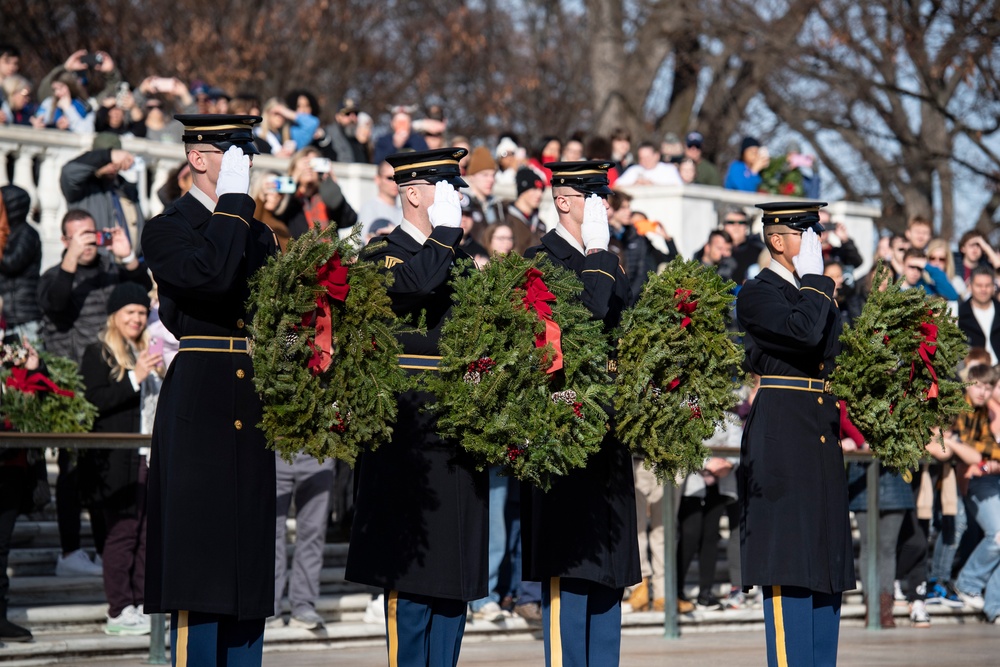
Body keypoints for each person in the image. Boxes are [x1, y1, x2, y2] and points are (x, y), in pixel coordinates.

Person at [141, 114, 279, 667]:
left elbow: (277, 318)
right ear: (198, 158)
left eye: (249, 155)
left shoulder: (259, 231)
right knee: (201, 569)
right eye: (232, 154)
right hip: (199, 397)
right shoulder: (167, 227)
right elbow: (212, 277)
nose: (243, 167)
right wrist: (234, 207)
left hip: (252, 397)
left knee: (247, 573)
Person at [345, 148, 488, 666]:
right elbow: (415, 286)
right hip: (406, 423)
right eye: (442, 189)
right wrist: (446, 236)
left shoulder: (459, 258)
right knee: (409, 574)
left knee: (454, 576)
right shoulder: (381, 254)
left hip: (457, 424)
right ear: (411, 193)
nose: (454, 201)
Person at [521, 160, 639, 667]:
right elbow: (584, 321)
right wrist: (597, 254)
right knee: (570, 573)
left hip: (608, 429)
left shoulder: (609, 259)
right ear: (564, 201)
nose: (604, 206)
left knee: (609, 574)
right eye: (593, 195)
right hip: (563, 424)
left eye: (605, 196)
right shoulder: (539, 260)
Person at [736, 201, 854, 666]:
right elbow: (803, 333)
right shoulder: (757, 292)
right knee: (790, 566)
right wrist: (819, 283)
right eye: (804, 233)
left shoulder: (815, 291)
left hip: (820, 432)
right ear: (778, 239)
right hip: (782, 435)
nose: (814, 243)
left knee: (826, 571)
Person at [79, 282, 163, 636]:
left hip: (148, 456)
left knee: (147, 535)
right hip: (117, 460)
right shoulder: (98, 352)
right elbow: (94, 401)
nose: (137, 318)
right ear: (115, 315)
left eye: (142, 312)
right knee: (123, 533)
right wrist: (135, 377)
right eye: (130, 312)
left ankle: (143, 601)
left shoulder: (147, 349)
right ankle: (119, 608)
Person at [952, 364, 1000, 624]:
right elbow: (969, 446)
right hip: (968, 481)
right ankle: (968, 582)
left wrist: (988, 456)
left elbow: (986, 444)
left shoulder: (980, 411)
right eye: (979, 386)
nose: (982, 392)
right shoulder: (962, 407)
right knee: (998, 536)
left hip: (984, 478)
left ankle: (995, 605)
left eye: (988, 387)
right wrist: (985, 458)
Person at [272, 451, 334, 630]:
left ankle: (303, 605)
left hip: (319, 450)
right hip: (274, 446)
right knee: (271, 532)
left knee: (313, 532)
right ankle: (269, 605)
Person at [60, 135, 147, 255]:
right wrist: (108, 155)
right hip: (96, 268)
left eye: (114, 161)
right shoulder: (81, 187)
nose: (111, 164)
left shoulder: (126, 188)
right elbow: (68, 172)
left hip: (129, 265)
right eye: (105, 161)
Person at [275, 146, 358, 239]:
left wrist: (332, 185)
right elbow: (277, 213)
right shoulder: (289, 198)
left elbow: (350, 220)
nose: (309, 167)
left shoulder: (326, 196)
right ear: (294, 167)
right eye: (305, 163)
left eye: (313, 163)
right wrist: (293, 180)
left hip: (329, 252)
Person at [0, 185, 42, 342]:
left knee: (26, 360)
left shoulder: (27, 233)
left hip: (22, 315)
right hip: (6, 315)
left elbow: (12, 263)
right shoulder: (7, 232)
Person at [958, 265, 1000, 364]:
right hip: (973, 372)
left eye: (987, 285)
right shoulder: (959, 314)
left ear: (993, 286)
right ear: (970, 285)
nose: (983, 290)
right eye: (979, 285)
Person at [463, 146, 505, 239]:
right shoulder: (463, 204)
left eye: (493, 175)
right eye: (485, 175)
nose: (491, 180)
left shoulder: (498, 205)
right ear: (471, 177)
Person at [357, 160, 402, 241]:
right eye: (390, 178)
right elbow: (366, 243)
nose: (395, 183)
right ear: (377, 179)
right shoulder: (369, 209)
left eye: (397, 178)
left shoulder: (404, 211)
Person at [504, 167, 545, 255]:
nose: (539, 194)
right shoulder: (505, 218)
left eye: (541, 190)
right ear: (522, 190)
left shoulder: (541, 224)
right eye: (534, 189)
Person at [616, 142, 682, 187]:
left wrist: (653, 185)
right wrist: (634, 185)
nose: (645, 161)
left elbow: (679, 188)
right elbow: (616, 187)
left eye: (648, 157)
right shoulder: (634, 170)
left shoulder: (669, 170)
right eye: (642, 158)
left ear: (657, 155)